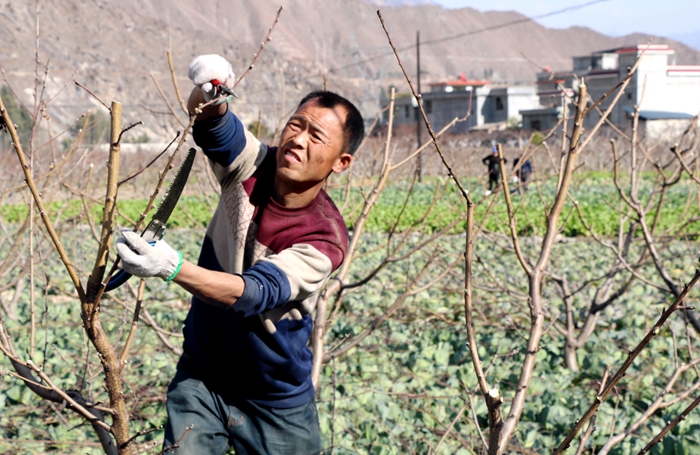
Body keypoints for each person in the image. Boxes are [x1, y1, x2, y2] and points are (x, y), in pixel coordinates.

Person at [116, 54, 364, 455]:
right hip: (203, 376)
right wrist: (211, 92)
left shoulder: (324, 237)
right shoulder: (253, 165)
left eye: (316, 136)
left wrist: (170, 266)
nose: (298, 139)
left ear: (341, 163)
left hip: (274, 397)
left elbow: (250, 294)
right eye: (295, 125)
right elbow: (214, 126)